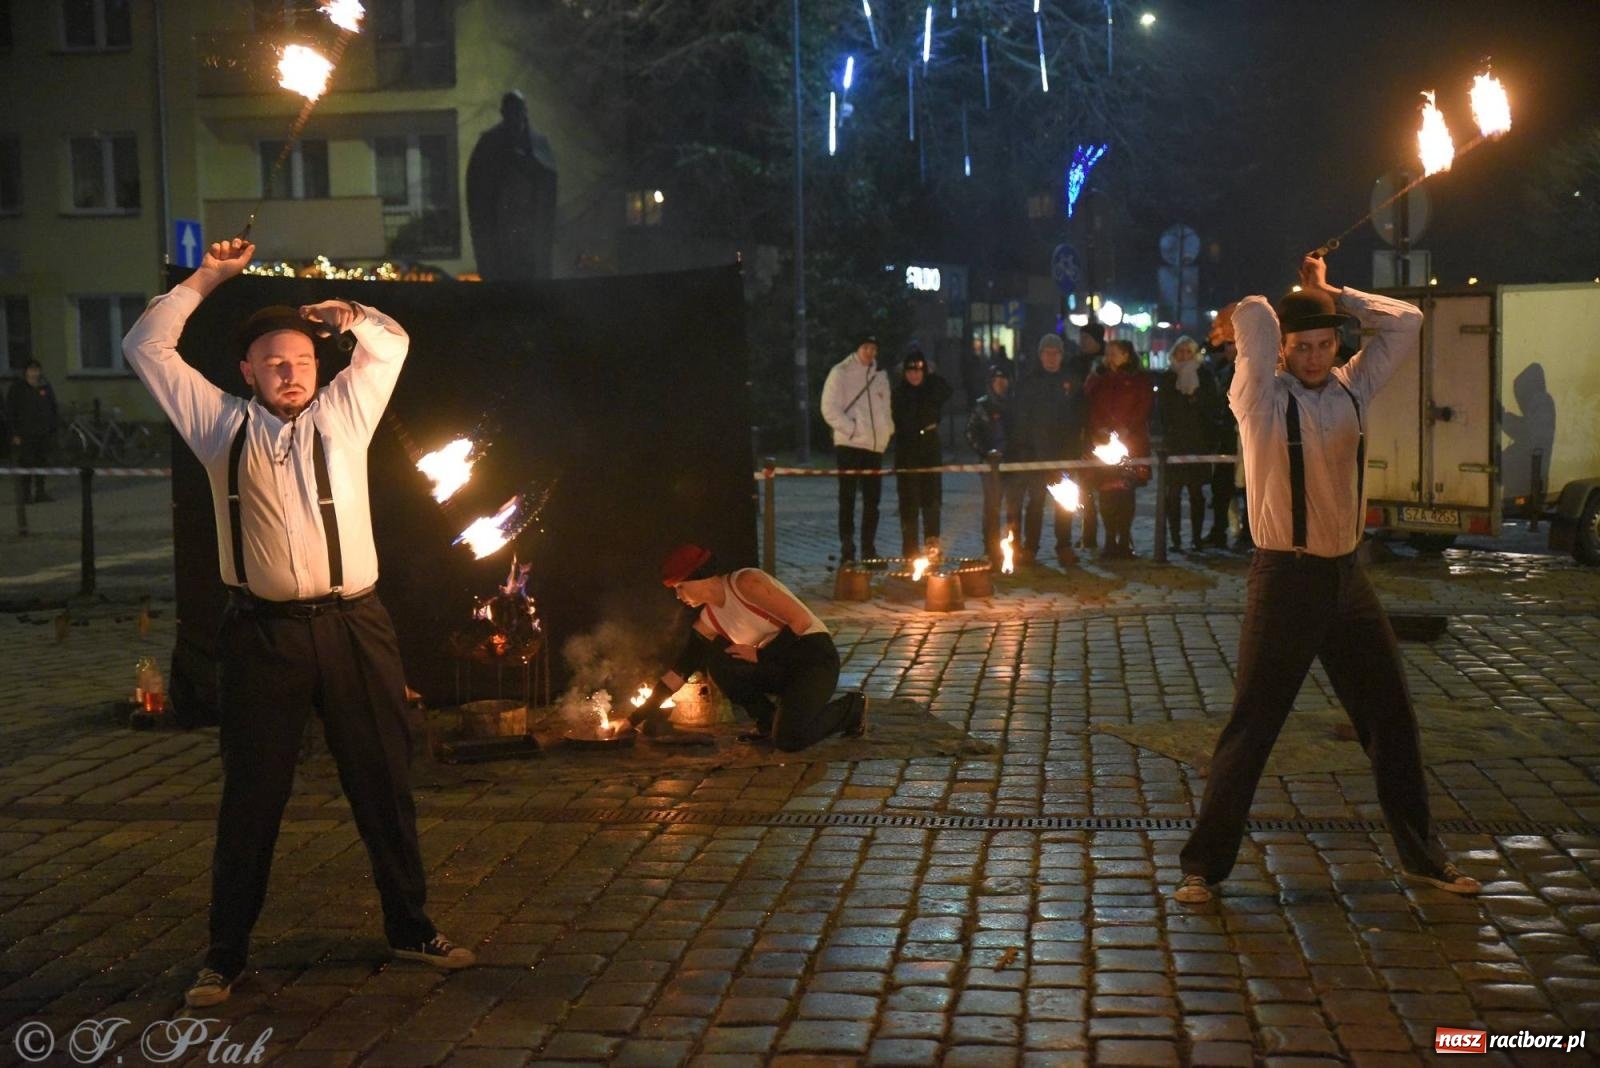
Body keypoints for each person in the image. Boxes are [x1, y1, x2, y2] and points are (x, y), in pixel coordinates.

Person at [121, 236, 475, 1010]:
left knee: (382, 781)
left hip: (356, 627)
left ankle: (411, 929)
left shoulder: (346, 415)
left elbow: (389, 344)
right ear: (246, 371)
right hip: (263, 635)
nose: (292, 372)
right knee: (251, 796)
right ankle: (225, 954)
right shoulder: (219, 427)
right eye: (275, 362)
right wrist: (209, 277)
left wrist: (344, 312)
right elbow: (145, 343)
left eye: (303, 361)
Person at [1173, 255, 1481, 905]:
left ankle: (1425, 859)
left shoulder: (1352, 388)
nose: (1314, 357)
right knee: (1254, 725)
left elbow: (1407, 321)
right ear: (1281, 350)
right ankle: (1202, 865)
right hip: (1285, 579)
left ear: (1338, 342)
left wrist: (1328, 291)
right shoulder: (1258, 396)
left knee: (1392, 720)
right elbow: (1255, 310)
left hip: (1348, 579)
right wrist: (1255, 317)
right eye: (1301, 347)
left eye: (1323, 344)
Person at [630, 544, 868, 752]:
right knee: (720, 665)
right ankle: (768, 721)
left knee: (790, 740)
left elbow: (801, 621)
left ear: (698, 577)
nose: (678, 596)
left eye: (680, 587)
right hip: (777, 668)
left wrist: (761, 654)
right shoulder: (708, 620)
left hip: (812, 660)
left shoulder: (745, 583)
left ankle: (851, 708)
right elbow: (681, 670)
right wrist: (636, 717)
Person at [1009, 334, 1087, 567]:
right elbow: (1021, 418)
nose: (1051, 357)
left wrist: (1076, 449)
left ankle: (1064, 545)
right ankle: (1030, 547)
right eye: (1047, 352)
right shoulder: (1029, 382)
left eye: (1056, 353)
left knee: (1064, 504)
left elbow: (1080, 416)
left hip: (1065, 454)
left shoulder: (1071, 382)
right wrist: (1025, 448)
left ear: (1061, 356)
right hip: (1036, 454)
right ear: (1040, 355)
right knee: (1036, 504)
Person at [465, 90, 558, 281]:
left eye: (519, 111)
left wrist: (527, 162)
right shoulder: (489, 143)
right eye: (511, 111)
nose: (516, 116)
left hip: (529, 228)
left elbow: (547, 181)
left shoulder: (537, 143)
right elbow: (477, 190)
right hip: (500, 228)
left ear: (525, 112)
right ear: (503, 112)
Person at [820, 334, 892, 562]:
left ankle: (868, 548)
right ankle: (847, 547)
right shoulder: (840, 372)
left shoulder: (880, 375)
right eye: (866, 347)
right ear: (857, 348)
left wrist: (886, 432)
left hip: (873, 446)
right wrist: (851, 429)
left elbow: (885, 408)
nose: (870, 352)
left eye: (873, 347)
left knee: (873, 501)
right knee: (848, 498)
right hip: (849, 445)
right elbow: (828, 408)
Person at [1084, 339, 1153, 558]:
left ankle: (1124, 537)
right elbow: (1089, 406)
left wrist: (1126, 428)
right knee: (1106, 490)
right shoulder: (1099, 379)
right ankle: (1110, 538)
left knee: (1125, 491)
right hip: (1103, 443)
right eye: (1109, 352)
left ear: (1127, 355)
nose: (1110, 356)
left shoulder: (1138, 380)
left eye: (1116, 352)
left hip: (1130, 443)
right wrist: (1100, 430)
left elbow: (1144, 406)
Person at [1156, 336, 1223, 552]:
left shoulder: (1204, 376)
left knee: (1196, 493)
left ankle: (1196, 537)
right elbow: (1163, 410)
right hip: (1175, 443)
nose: (1184, 356)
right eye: (1180, 352)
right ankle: (1174, 538)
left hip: (1198, 442)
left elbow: (1212, 407)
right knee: (1172, 494)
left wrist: (1196, 399)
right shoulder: (1168, 377)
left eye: (1188, 352)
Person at [890, 348, 953, 558]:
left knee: (931, 500)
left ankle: (932, 547)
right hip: (907, 449)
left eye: (919, 370)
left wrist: (932, 374)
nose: (915, 375)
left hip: (929, 446)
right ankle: (910, 551)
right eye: (910, 370)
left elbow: (947, 390)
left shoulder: (931, 389)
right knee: (908, 501)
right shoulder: (899, 393)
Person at [1203, 303, 1249, 549]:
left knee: (1246, 489)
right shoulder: (1223, 371)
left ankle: (1247, 534)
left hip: (1243, 436)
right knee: (1221, 488)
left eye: (1232, 344)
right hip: (1226, 437)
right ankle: (1219, 530)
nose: (1228, 349)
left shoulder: (1247, 370)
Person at [965, 362, 1013, 566]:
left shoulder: (1015, 404)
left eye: (1004, 379)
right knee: (992, 509)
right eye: (996, 380)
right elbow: (971, 432)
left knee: (1014, 508)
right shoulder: (982, 406)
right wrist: (985, 452)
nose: (1000, 383)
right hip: (990, 464)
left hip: (1012, 463)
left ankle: (1013, 548)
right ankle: (991, 548)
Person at [8, 360, 60, 528]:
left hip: (43, 432)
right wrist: (14, 433)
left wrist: (53, 426)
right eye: (31, 370)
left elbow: (52, 406)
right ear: (26, 372)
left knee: (41, 462)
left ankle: (40, 491)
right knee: (26, 463)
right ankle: (26, 494)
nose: (34, 373)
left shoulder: (45, 386)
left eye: (36, 370)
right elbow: (11, 412)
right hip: (25, 433)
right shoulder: (18, 389)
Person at [1072, 323, 1107, 549]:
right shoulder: (1075, 364)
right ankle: (1088, 533)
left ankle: (1117, 532)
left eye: (1087, 338)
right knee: (1084, 487)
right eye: (1081, 338)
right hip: (1081, 432)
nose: (1083, 342)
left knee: (1108, 486)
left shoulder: (1105, 364)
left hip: (1102, 433)